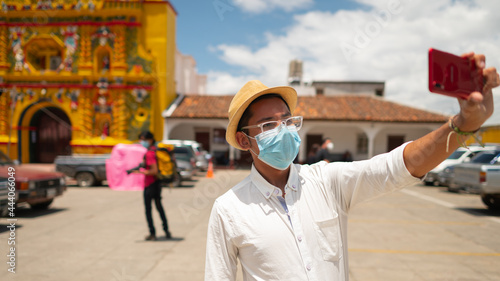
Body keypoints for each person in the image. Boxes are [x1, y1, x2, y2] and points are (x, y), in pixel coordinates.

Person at [205, 53, 499, 281]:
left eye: (288, 121)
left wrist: (463, 125)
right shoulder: (229, 209)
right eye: (269, 125)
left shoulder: (326, 181)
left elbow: (397, 166)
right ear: (244, 141)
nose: (283, 130)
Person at [132, 131, 172, 241]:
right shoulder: (154, 150)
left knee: (148, 210)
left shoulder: (150, 153)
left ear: (150, 140)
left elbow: (154, 171)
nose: (142, 142)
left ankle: (152, 233)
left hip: (150, 185)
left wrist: (140, 172)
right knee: (159, 208)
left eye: (143, 139)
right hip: (157, 184)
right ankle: (166, 230)